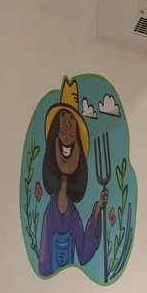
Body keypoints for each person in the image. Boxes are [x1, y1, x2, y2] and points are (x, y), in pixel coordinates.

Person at [37, 77, 107, 276]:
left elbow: (84, 252)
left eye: (72, 130)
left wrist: (98, 209)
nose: (68, 136)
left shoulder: (74, 215)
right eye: (63, 128)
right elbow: (43, 262)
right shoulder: (49, 214)